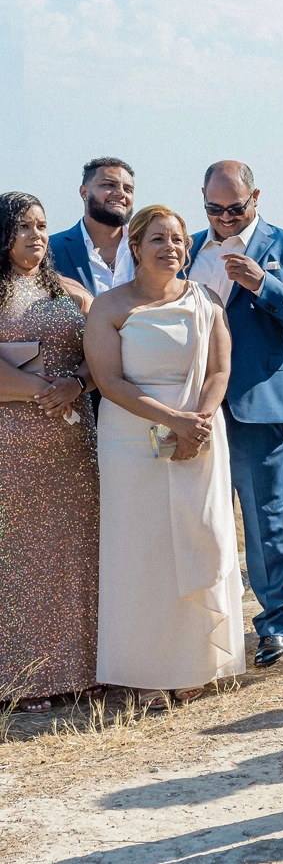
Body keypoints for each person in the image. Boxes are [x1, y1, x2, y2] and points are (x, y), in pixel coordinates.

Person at [86, 205, 244, 708]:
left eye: (178, 240)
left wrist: (197, 422)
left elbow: (220, 369)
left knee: (199, 538)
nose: (170, 248)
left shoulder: (207, 300)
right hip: (130, 443)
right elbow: (109, 381)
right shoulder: (109, 307)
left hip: (199, 434)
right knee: (142, 553)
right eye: (158, 239)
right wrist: (170, 420)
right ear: (135, 247)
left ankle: (195, 660)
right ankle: (145, 670)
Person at [188, 162, 283, 668]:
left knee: (267, 517)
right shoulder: (188, 248)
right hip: (192, 403)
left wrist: (266, 285)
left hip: (257, 398)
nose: (224, 218)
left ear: (256, 197)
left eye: (235, 208)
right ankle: (207, 626)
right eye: (213, 209)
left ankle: (275, 623)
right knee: (198, 517)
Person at [0, 192, 100, 714]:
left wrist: (77, 384)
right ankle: (25, 678)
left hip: (74, 447)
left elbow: (103, 358)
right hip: (12, 449)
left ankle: (83, 670)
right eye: (22, 227)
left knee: (76, 555)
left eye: (41, 226)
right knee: (19, 561)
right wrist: (39, 389)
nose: (36, 235)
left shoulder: (72, 292)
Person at [49, 158, 136, 295]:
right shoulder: (50, 250)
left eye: (128, 189)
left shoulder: (149, 247)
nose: (120, 193)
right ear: (84, 192)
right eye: (109, 185)